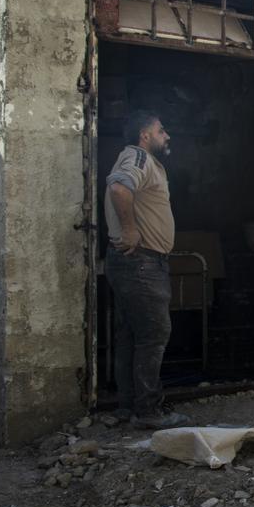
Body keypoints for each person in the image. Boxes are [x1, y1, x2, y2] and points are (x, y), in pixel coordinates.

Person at [104, 110, 189, 429]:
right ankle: (149, 412)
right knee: (154, 333)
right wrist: (129, 229)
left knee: (131, 333)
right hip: (140, 263)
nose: (166, 136)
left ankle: (127, 406)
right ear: (145, 135)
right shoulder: (138, 158)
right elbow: (119, 188)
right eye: (161, 130)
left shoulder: (146, 162)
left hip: (135, 263)